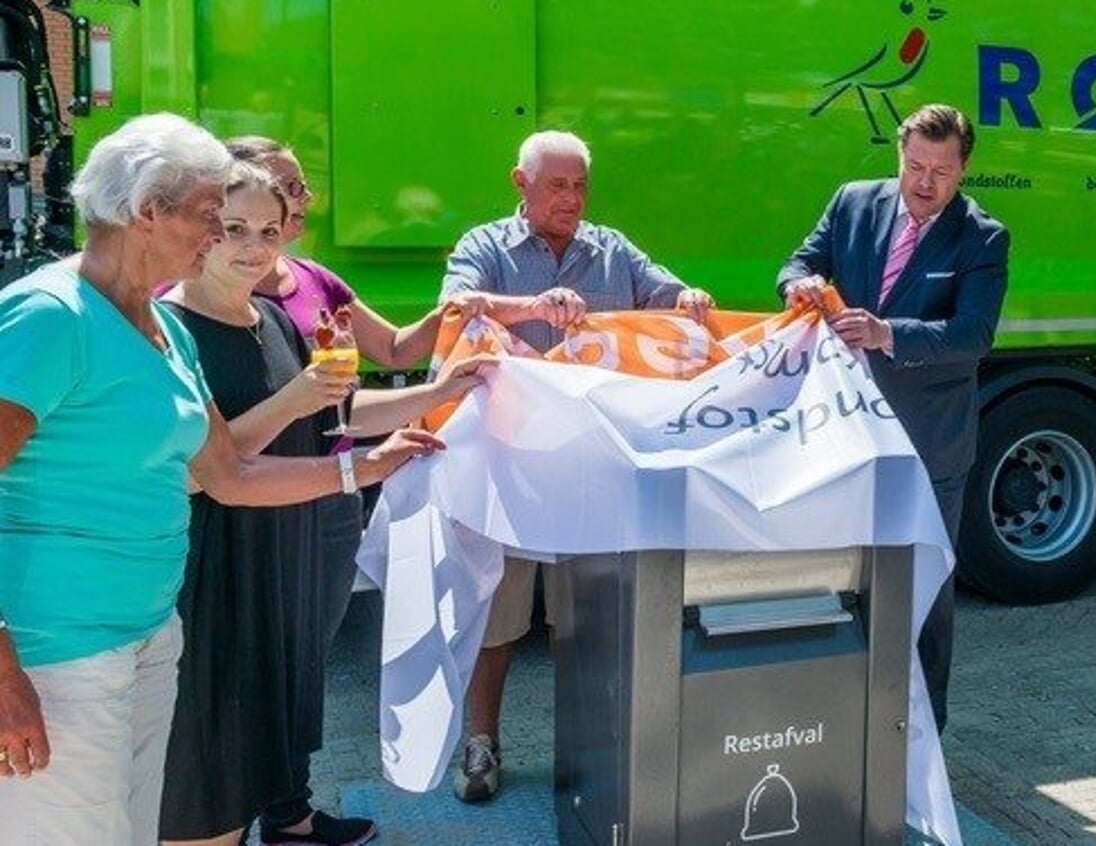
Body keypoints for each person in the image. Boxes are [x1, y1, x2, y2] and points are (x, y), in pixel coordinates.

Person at [0, 114, 441, 846]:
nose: (225, 238)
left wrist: (363, 467)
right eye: (211, 218)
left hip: (148, 637)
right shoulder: (50, 317)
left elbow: (227, 473)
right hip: (58, 656)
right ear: (148, 212)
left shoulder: (160, 329)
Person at [155, 164, 487, 846]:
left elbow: (340, 408)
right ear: (200, 230)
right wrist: (307, 411)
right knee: (202, 796)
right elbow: (207, 465)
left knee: (257, 767)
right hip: (209, 581)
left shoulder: (274, 317)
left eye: (269, 232)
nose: (252, 247)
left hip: (280, 570)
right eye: (233, 228)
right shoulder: (166, 326)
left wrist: (437, 392)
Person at [439, 129, 714, 801]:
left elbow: (669, 297)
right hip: (507, 469)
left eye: (580, 185)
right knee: (498, 616)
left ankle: (587, 747)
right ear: (520, 184)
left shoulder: (612, 249)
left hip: (592, 471)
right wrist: (530, 306)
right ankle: (481, 745)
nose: (571, 198)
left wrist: (689, 301)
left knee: (583, 616)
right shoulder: (484, 247)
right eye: (557, 185)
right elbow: (453, 309)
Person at [777, 103, 1009, 733]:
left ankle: (922, 736)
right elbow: (800, 262)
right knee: (844, 580)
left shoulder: (983, 237)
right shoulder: (853, 202)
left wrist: (887, 333)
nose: (925, 182)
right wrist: (798, 286)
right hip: (845, 434)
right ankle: (844, 724)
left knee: (924, 591)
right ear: (898, 156)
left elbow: (973, 335)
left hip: (928, 447)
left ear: (963, 171)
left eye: (941, 171)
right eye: (915, 166)